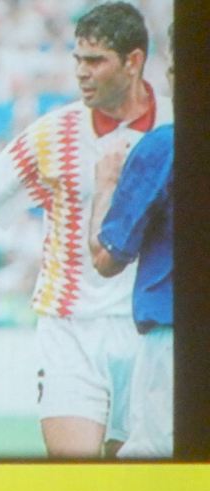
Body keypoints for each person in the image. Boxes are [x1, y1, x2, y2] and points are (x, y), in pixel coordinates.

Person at [0, 2, 172, 458]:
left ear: (134, 61)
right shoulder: (54, 133)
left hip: (145, 328)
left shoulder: (174, 128)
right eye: (78, 59)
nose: (82, 72)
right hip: (70, 325)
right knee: (73, 471)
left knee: (131, 479)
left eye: (96, 61)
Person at [89, 23, 173, 458]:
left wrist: (105, 185)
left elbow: (106, 258)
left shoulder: (164, 147)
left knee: (154, 465)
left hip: (173, 335)